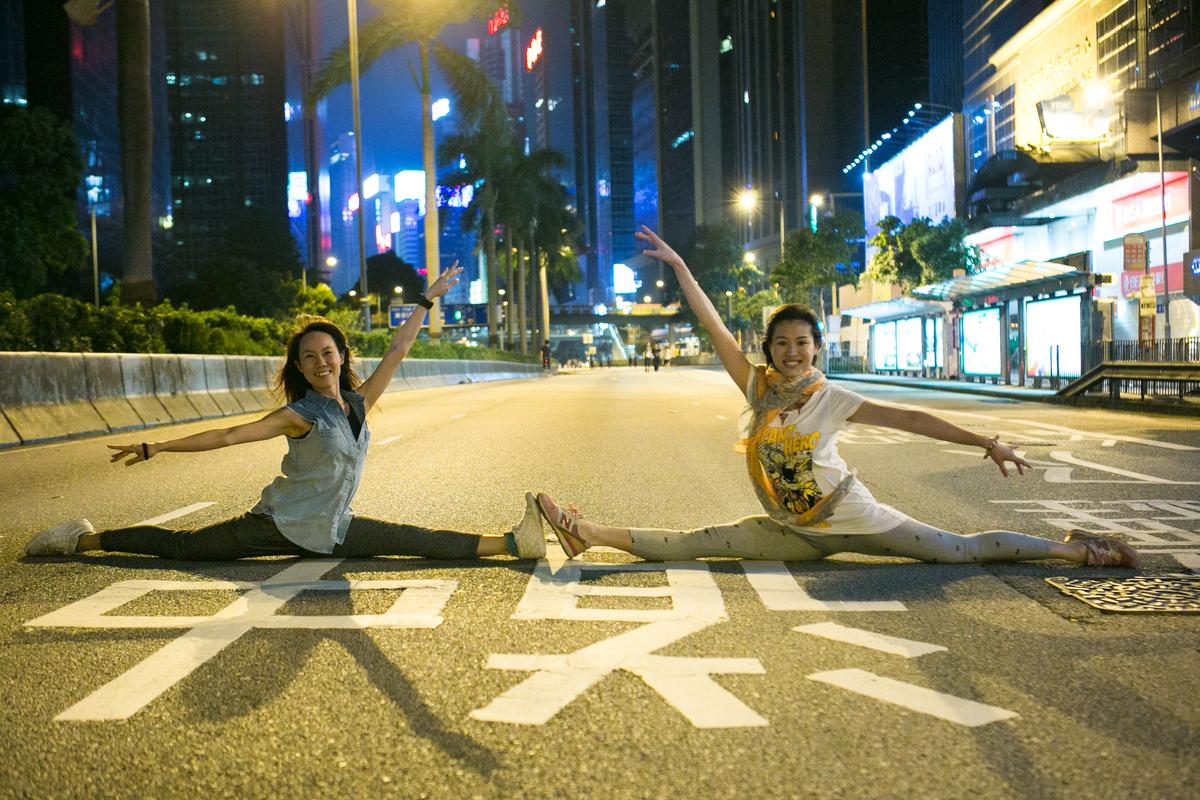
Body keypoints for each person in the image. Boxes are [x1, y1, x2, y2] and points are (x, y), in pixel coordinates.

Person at [535, 227, 1137, 569]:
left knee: (959, 553)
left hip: (858, 519)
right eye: (782, 344)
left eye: (803, 343)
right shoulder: (757, 388)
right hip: (792, 532)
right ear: (768, 350)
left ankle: (1073, 549)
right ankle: (585, 531)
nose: (792, 352)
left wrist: (986, 441)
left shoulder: (834, 397)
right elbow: (714, 324)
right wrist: (683, 268)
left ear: (816, 348)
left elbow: (911, 418)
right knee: (693, 546)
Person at [26, 264, 546, 562]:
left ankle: (513, 543)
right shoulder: (300, 414)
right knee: (184, 549)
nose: (321, 362)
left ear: (341, 357)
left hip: (333, 528)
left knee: (413, 540)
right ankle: (82, 539)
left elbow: (398, 350)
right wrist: (156, 446)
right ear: (299, 366)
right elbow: (229, 435)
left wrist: (426, 301)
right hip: (278, 526)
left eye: (328, 353)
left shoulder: (360, 402)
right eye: (309, 356)